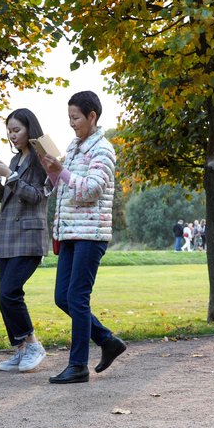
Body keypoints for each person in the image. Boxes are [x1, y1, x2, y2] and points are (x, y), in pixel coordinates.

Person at [41, 91, 125, 384]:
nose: (71, 124)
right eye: (69, 118)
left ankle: (78, 365)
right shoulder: (74, 147)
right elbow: (63, 187)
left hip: (91, 234)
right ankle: (107, 340)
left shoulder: (103, 149)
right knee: (63, 297)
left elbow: (90, 190)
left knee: (77, 297)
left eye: (75, 118)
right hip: (69, 233)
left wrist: (61, 171)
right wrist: (52, 172)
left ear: (92, 116)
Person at [0, 108, 50, 374]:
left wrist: (10, 177)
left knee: (10, 292)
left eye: (17, 130)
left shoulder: (41, 160)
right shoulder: (15, 161)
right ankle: (21, 348)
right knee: (4, 297)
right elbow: (8, 199)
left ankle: (33, 344)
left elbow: (36, 196)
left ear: (29, 129)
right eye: (9, 131)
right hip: (7, 237)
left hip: (29, 237)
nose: (12, 136)